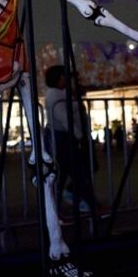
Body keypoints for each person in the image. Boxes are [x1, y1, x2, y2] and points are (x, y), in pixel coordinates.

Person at [43, 65, 100, 218]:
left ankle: (83, 202)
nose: (66, 80)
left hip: (65, 137)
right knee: (70, 172)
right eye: (64, 77)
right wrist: (80, 136)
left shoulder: (61, 94)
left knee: (74, 172)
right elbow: (65, 119)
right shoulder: (55, 95)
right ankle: (85, 204)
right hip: (62, 138)